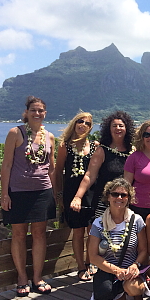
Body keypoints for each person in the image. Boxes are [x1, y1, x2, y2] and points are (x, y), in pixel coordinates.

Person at [0, 96, 56, 297]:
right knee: (19, 235)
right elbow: (6, 165)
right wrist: (4, 193)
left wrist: (54, 194)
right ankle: (22, 277)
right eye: (33, 110)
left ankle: (38, 277)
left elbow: (51, 167)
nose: (37, 113)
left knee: (40, 234)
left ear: (45, 113)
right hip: (18, 191)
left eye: (41, 110)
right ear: (26, 112)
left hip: (42, 191)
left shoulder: (49, 137)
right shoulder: (15, 133)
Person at [87, 178, 148, 300]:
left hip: (130, 272)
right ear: (108, 197)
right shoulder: (99, 223)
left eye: (123, 195)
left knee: (134, 288)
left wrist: (136, 265)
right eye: (115, 194)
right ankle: (110, 296)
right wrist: (115, 271)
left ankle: (136, 298)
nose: (119, 198)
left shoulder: (137, 220)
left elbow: (144, 250)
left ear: (129, 198)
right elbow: (93, 257)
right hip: (109, 272)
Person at [54, 112, 98, 281]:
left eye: (87, 123)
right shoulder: (65, 145)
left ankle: (90, 262)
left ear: (90, 127)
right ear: (74, 123)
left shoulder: (95, 146)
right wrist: (58, 194)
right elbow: (58, 171)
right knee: (78, 232)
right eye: (80, 121)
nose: (83, 125)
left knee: (92, 232)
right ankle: (80, 266)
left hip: (92, 194)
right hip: (72, 195)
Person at [70, 111, 135, 219]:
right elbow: (90, 175)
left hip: (125, 201)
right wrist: (78, 197)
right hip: (104, 202)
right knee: (100, 233)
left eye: (121, 126)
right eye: (114, 126)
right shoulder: (102, 151)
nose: (117, 128)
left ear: (127, 128)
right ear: (109, 129)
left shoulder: (132, 151)